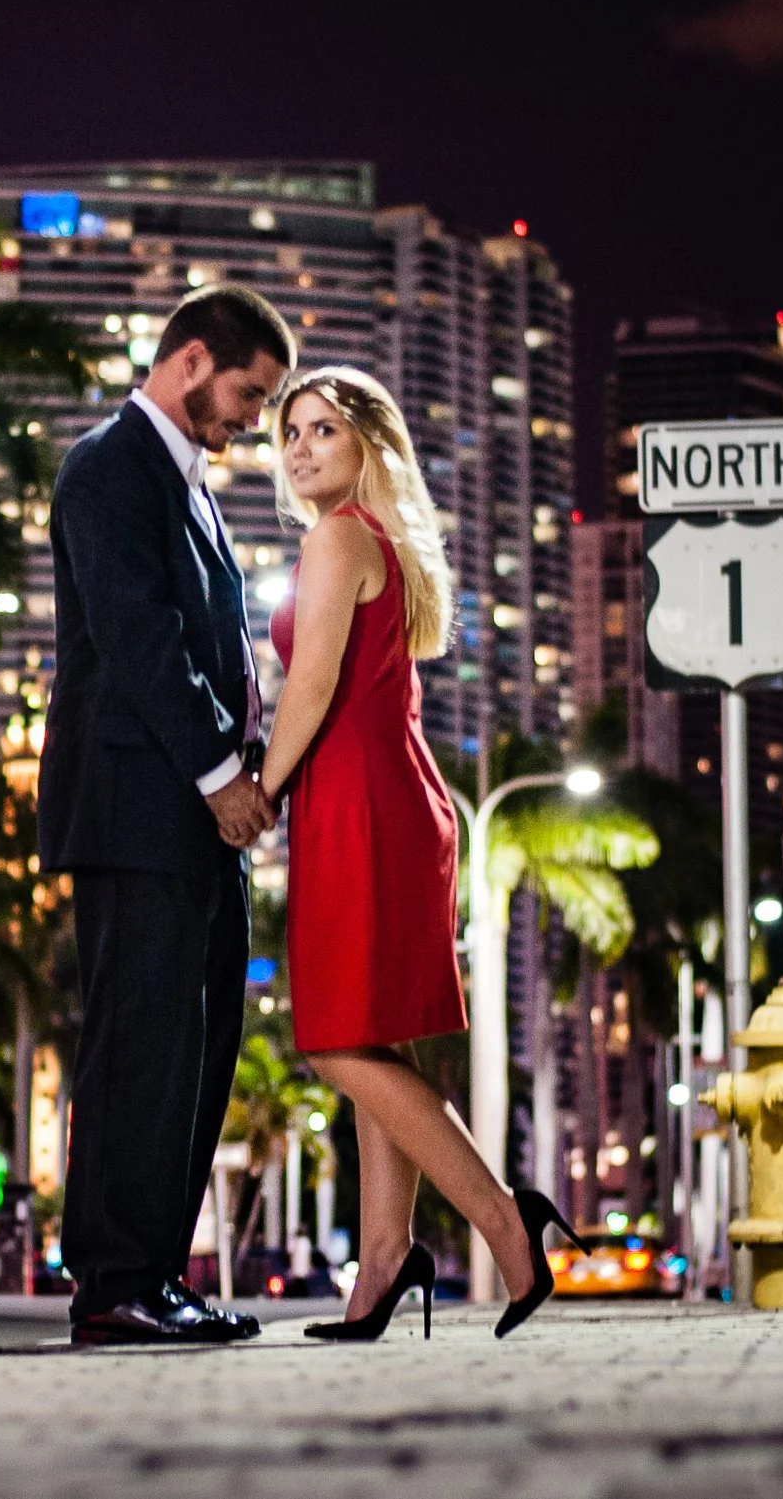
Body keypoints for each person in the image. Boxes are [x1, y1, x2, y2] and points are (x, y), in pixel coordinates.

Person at [258, 365, 583, 1341]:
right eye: (291, 433)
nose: (302, 448)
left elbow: (310, 687)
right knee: (376, 1036)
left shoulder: (336, 537)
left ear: (366, 441)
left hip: (357, 802)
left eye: (323, 429)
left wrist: (256, 793)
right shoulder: (387, 542)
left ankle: (502, 1224)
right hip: (392, 796)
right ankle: (384, 1267)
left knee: (330, 1039)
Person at [39, 285, 292, 1346]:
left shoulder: (188, 486)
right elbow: (140, 639)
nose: (251, 419)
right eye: (247, 393)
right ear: (190, 361)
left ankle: (155, 1274)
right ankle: (111, 1284)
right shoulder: (110, 469)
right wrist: (217, 775)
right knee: (139, 1042)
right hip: (139, 805)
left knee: (196, 1048)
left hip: (192, 816)